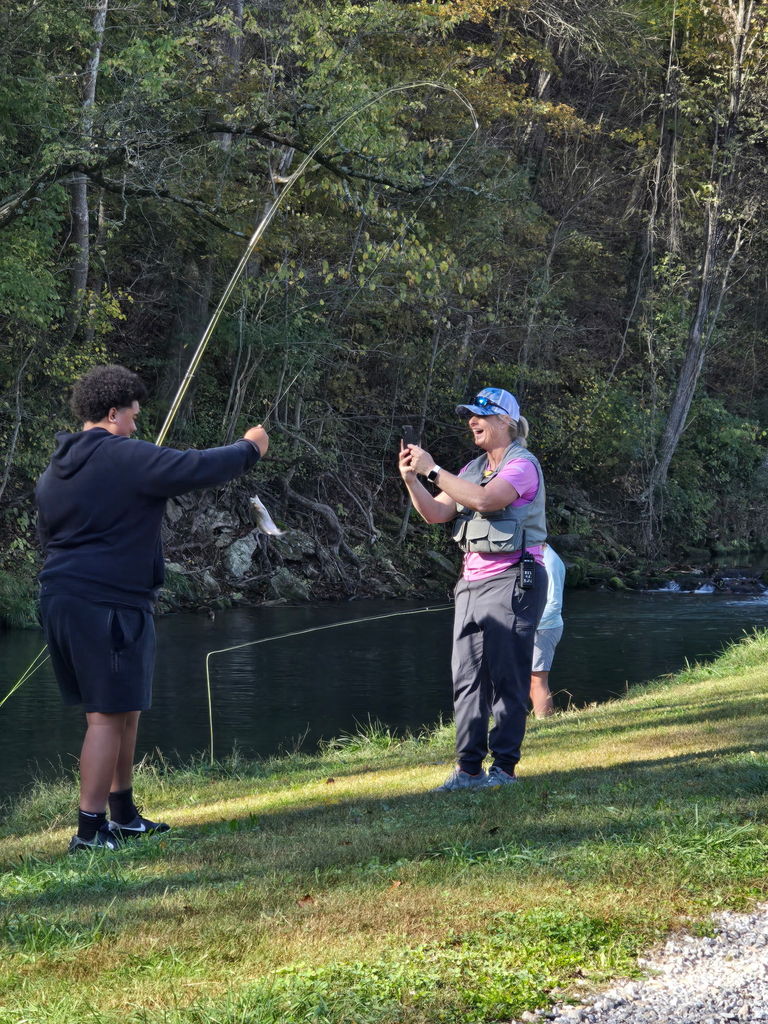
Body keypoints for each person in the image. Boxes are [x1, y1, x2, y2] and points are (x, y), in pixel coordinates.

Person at [36, 364, 269, 852]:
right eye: (134, 416)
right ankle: (88, 831)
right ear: (113, 412)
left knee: (125, 708)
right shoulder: (121, 456)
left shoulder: (55, 471)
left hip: (66, 598)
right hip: (107, 603)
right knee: (105, 715)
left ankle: (122, 815)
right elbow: (195, 467)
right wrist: (251, 447)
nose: (138, 425)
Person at [398, 386, 548, 791]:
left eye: (481, 414)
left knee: (508, 678)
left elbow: (484, 501)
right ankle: (467, 771)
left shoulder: (522, 466)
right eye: (470, 413)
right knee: (466, 680)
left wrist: (432, 470)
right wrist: (413, 480)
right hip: (470, 584)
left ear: (506, 422)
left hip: (515, 579)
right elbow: (437, 512)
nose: (472, 420)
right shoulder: (472, 467)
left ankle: (503, 771)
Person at [530, 543, 565, 717]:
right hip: (536, 625)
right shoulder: (539, 555)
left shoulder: (549, 560)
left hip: (545, 628)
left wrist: (529, 624)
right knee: (531, 679)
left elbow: (554, 604)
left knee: (538, 679)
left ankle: (546, 723)